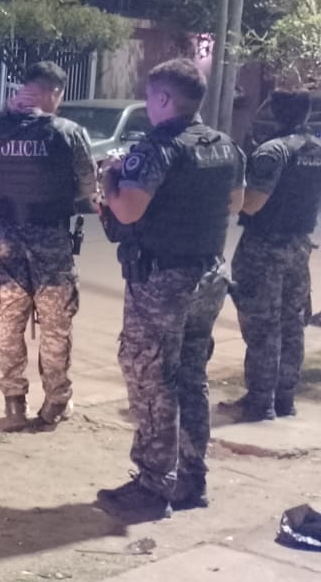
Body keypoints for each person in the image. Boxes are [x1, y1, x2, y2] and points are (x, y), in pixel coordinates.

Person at [97, 58, 244, 520]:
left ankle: (153, 485)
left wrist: (109, 178)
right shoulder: (225, 146)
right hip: (208, 275)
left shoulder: (157, 147)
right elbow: (235, 203)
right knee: (191, 377)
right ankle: (191, 479)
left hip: (162, 281)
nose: (147, 104)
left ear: (163, 98)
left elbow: (127, 211)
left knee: (151, 379)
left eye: (149, 95)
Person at [0, 62, 98, 429]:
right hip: (51, 241)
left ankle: (14, 402)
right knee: (55, 325)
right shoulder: (69, 133)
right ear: (54, 93)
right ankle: (56, 402)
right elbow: (88, 186)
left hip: (7, 242)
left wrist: (7, 113)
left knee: (8, 323)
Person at [219, 90, 321, 422]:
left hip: (264, 249)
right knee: (292, 324)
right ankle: (285, 398)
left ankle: (260, 402)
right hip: (299, 246)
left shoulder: (273, 151)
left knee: (263, 325)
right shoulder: (316, 149)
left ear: (276, 112)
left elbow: (252, 204)